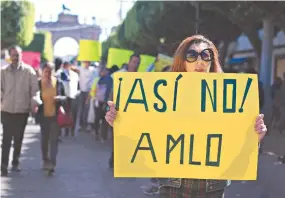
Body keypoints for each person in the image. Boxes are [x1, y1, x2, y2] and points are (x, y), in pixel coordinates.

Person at [105, 35, 268, 197]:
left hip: (212, 187)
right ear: (182, 61)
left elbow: (236, 144)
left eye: (206, 55)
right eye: (192, 55)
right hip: (173, 185)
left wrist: (254, 138)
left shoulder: (228, 99)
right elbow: (146, 133)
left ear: (212, 61)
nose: (199, 61)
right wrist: (121, 123)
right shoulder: (164, 95)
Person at [1, 46, 38, 177]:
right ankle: (3, 165)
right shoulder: (3, 71)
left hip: (22, 111)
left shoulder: (29, 71)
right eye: (13, 55)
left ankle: (15, 162)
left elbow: (34, 90)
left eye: (17, 55)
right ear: (10, 56)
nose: (15, 58)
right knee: (6, 139)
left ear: (21, 55)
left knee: (18, 139)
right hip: (6, 110)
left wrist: (34, 103)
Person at [37, 62, 65, 172]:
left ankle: (52, 163)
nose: (48, 74)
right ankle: (45, 160)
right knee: (44, 140)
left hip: (55, 116)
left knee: (54, 140)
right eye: (46, 71)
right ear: (42, 71)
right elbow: (34, 96)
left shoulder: (58, 82)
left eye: (50, 71)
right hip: (43, 116)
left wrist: (59, 98)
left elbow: (64, 96)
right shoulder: (38, 83)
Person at [93, 67, 113, 142]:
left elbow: (108, 92)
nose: (100, 72)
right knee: (99, 119)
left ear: (106, 71)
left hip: (104, 102)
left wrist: (106, 103)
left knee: (103, 120)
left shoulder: (108, 80)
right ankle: (98, 134)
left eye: (102, 71)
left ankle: (102, 136)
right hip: (99, 101)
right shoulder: (100, 79)